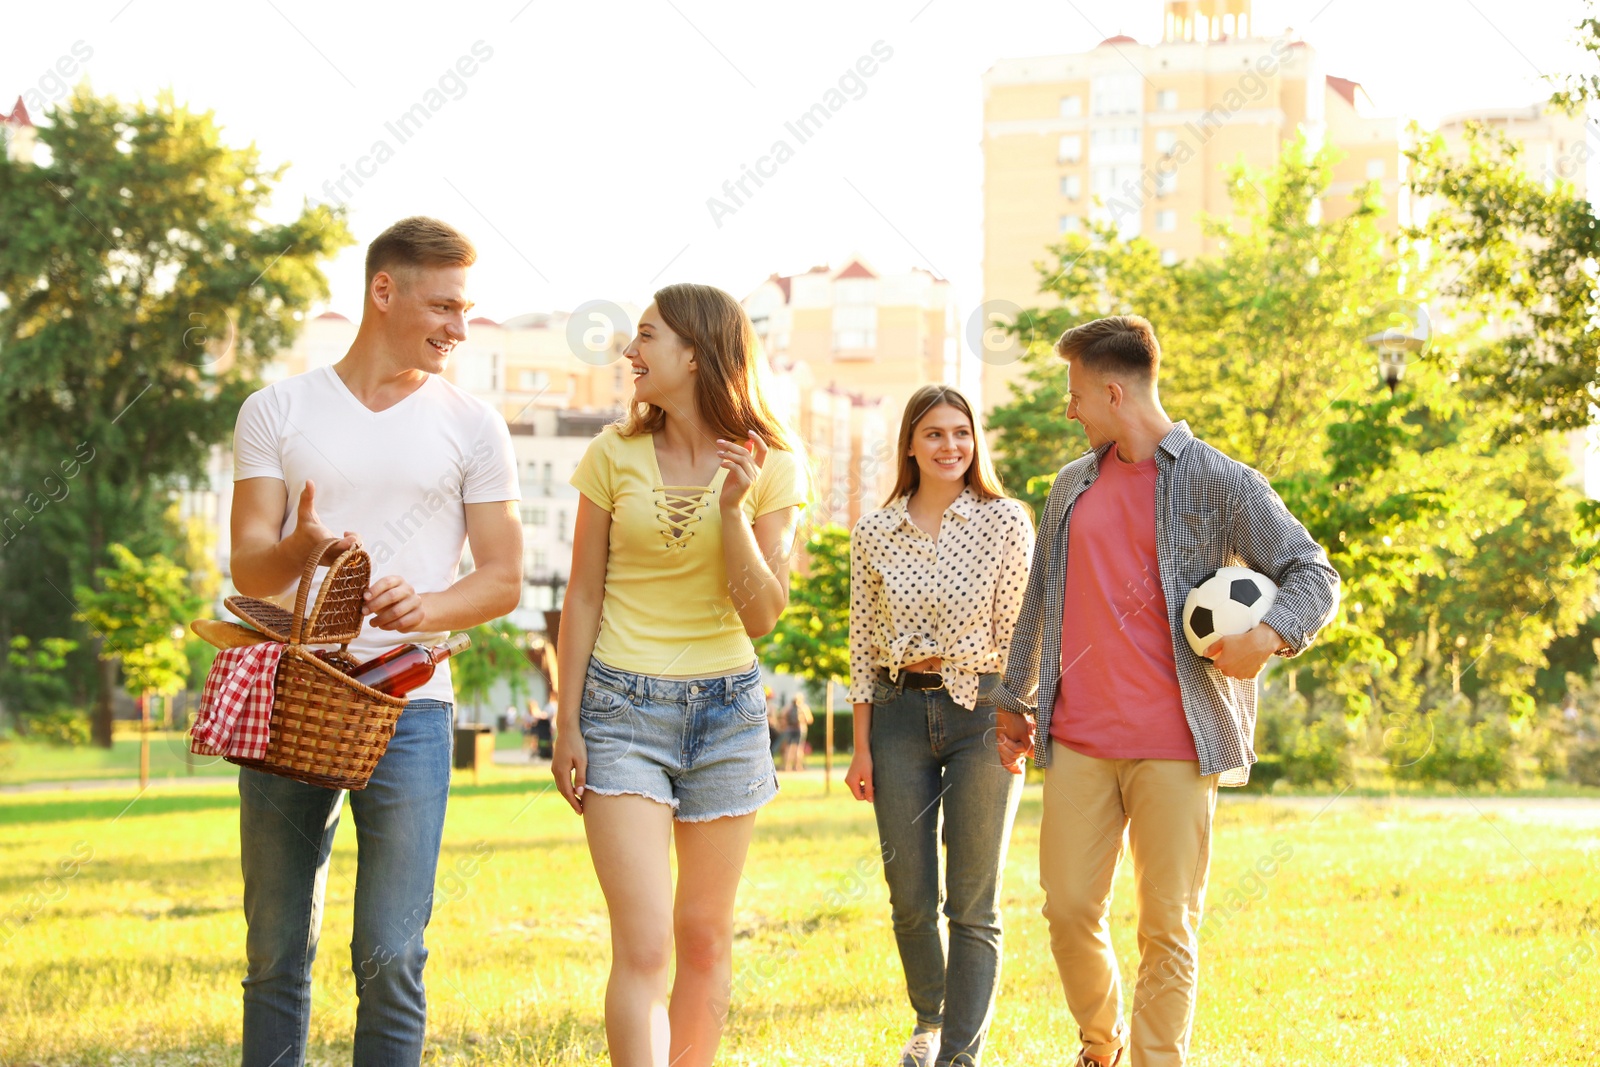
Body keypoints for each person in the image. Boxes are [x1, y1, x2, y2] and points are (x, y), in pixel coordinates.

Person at [992, 316, 1340, 1067]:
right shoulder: (1070, 485)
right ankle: (1100, 1041)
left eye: (1076, 394)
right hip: (1080, 739)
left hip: (1178, 746)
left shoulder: (1222, 480)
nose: (1070, 409)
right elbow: (1038, 600)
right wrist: (1014, 698)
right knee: (1068, 908)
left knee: (1167, 926)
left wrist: (1270, 634)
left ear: (1114, 392)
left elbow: (1314, 570)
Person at [228, 216, 523, 1066]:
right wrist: (302, 546)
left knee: (393, 955)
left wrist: (426, 606)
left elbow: (502, 576)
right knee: (275, 949)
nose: (459, 330)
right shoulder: (277, 409)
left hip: (410, 711)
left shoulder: (475, 426)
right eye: (444, 306)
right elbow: (251, 565)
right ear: (382, 291)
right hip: (293, 703)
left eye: (466, 311)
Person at [551, 283, 809, 1067]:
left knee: (702, 938)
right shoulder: (612, 455)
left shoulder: (772, 464)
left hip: (726, 713)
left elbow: (762, 613)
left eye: (646, 336)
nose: (630, 352)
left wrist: (732, 511)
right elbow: (584, 592)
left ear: (695, 351)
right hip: (620, 708)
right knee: (645, 944)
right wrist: (567, 720)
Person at [844, 384, 1035, 1067]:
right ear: (910, 444)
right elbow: (862, 647)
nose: (951, 445)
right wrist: (860, 746)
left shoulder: (1006, 521)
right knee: (911, 894)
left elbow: (1023, 633)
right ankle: (931, 1017)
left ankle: (959, 1055)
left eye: (962, 432)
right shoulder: (874, 532)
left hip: (984, 712)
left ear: (975, 441)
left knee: (974, 899)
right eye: (934, 433)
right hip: (897, 714)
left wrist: (1021, 714)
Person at [780, 691, 813, 772]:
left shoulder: (788, 707)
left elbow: (782, 716)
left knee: (788, 748)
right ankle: (797, 766)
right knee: (799, 748)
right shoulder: (804, 707)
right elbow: (809, 720)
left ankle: (787, 766)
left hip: (790, 729)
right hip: (800, 729)